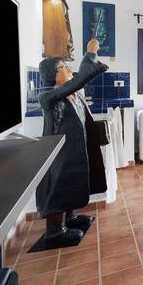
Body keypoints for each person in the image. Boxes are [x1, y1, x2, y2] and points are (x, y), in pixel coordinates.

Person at [36, 38, 109, 245]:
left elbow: (78, 81)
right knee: (60, 184)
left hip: (75, 149)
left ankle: (70, 217)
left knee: (73, 180)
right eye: (62, 67)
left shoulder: (73, 93)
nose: (68, 68)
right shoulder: (48, 97)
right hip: (60, 155)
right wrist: (90, 53)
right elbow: (80, 79)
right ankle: (54, 231)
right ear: (51, 74)